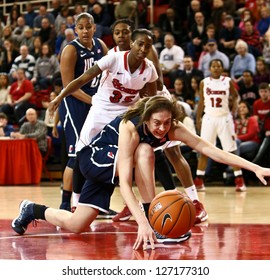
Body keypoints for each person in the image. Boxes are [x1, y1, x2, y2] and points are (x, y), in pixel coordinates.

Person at [11, 95, 270, 251]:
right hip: (95, 157)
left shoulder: (172, 127)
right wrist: (144, 224)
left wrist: (254, 167)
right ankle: (152, 218)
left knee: (77, 225)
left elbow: (209, 148)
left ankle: (31, 209)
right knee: (146, 150)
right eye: (156, 123)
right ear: (146, 118)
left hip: (114, 166)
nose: (162, 128)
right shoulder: (130, 128)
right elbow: (124, 182)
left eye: (167, 123)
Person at [57, 13, 108, 213]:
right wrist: (94, 101)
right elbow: (68, 87)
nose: (85, 31)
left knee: (95, 152)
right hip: (74, 104)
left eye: (89, 27)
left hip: (93, 103)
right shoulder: (70, 50)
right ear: (75, 30)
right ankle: (65, 202)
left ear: (94, 28)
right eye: (81, 27)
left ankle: (91, 202)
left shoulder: (101, 46)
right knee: (76, 154)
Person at [194, 59, 248, 192]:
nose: (216, 68)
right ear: (210, 68)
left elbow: (236, 96)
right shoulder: (204, 82)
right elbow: (201, 102)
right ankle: (199, 180)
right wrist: (198, 119)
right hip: (209, 118)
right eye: (213, 66)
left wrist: (234, 109)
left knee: (231, 150)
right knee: (204, 150)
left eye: (218, 66)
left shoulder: (228, 81)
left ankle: (239, 180)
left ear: (222, 68)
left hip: (224, 118)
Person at [252, 82, 270, 166]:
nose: (263, 94)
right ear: (259, 93)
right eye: (262, 91)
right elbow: (256, 119)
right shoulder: (256, 103)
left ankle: (255, 161)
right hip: (261, 130)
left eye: (265, 91)